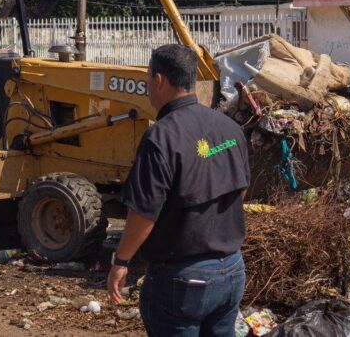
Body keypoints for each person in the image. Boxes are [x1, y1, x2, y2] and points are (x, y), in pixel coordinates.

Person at [106, 44, 250, 337]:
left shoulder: (160, 137)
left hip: (183, 281)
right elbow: (241, 191)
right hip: (232, 272)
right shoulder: (228, 127)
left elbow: (144, 213)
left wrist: (121, 262)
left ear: (159, 80)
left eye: (148, 79)